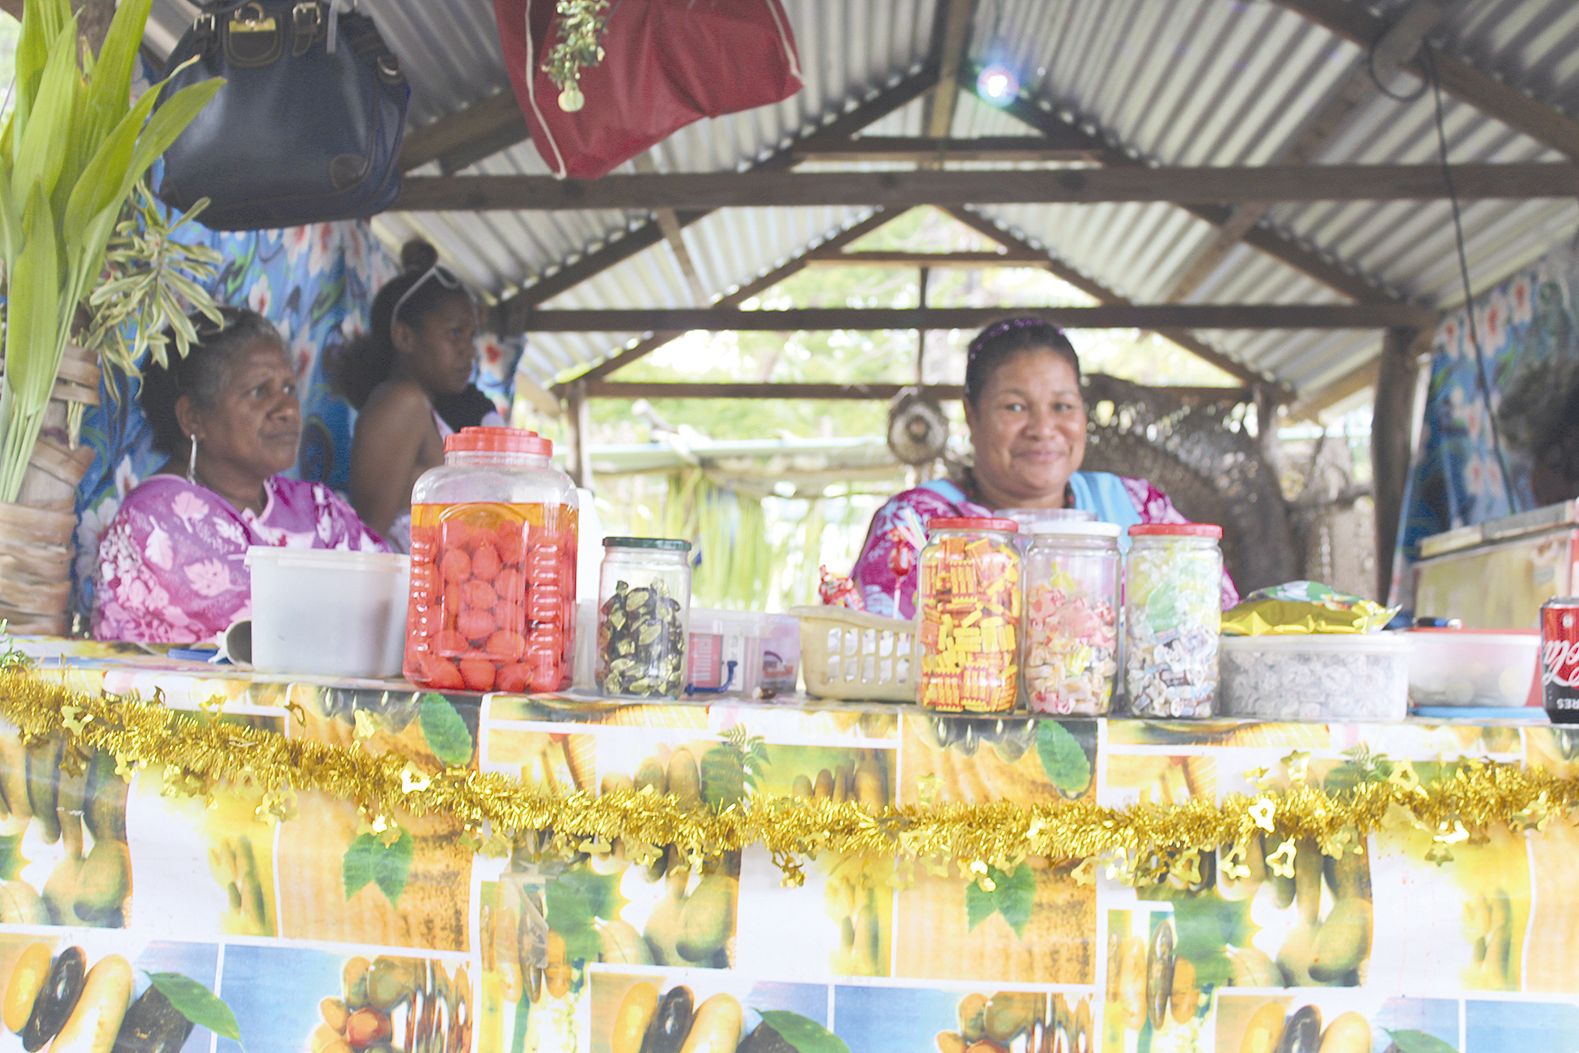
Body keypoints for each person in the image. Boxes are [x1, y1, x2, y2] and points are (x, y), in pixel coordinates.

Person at [851, 316, 1239, 617]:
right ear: (972, 415)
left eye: (1063, 406)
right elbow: (883, 650)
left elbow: (1215, 621)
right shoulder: (916, 524)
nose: (1042, 429)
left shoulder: (1138, 507)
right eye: (1015, 407)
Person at [93, 307, 387, 644]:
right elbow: (273, 635)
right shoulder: (156, 520)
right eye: (259, 392)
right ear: (193, 418)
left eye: (289, 389)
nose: (287, 410)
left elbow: (394, 598)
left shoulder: (317, 507)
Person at [331, 239, 504, 551]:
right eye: (454, 333)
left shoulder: (423, 409)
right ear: (404, 336)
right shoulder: (403, 403)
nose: (469, 350)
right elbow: (369, 539)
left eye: (471, 335)